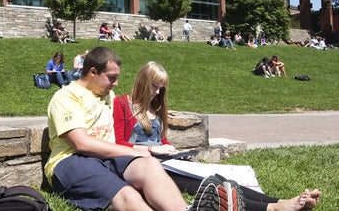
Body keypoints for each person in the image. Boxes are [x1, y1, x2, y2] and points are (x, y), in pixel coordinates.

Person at [112, 61, 321, 211]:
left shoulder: (155, 107)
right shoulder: (122, 103)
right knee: (208, 185)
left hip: (167, 161)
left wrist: (172, 149)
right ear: (142, 80)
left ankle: (279, 202)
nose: (157, 92)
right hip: (142, 164)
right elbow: (118, 143)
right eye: (154, 86)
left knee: (223, 179)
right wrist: (151, 149)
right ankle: (273, 208)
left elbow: (162, 140)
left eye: (161, 88)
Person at [44, 47, 229, 211]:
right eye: (111, 78)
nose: (115, 83)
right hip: (72, 161)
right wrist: (140, 151)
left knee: (150, 165)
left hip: (108, 160)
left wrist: (155, 107)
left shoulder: (107, 94)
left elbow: (133, 103)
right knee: (129, 195)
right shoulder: (66, 97)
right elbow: (81, 143)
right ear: (93, 72)